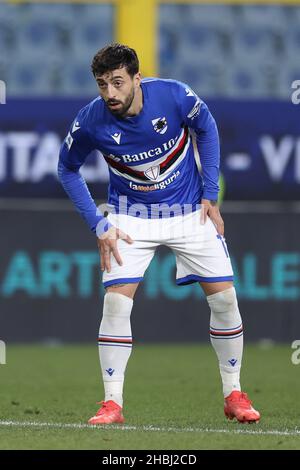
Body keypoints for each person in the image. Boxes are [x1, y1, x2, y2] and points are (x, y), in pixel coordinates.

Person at [58, 43, 260, 425]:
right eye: (102, 84)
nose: (110, 93)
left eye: (118, 82)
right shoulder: (90, 121)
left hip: (188, 213)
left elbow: (207, 127)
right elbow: (66, 169)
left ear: (137, 78)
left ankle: (234, 393)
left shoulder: (175, 95)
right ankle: (111, 404)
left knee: (226, 301)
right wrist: (99, 224)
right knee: (116, 304)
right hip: (130, 217)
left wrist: (210, 194)